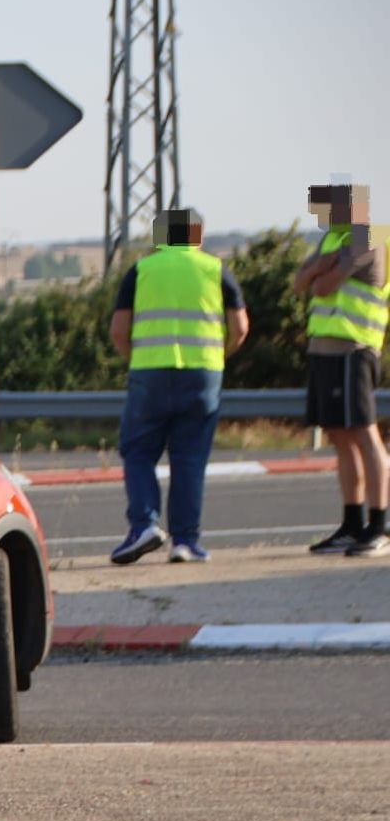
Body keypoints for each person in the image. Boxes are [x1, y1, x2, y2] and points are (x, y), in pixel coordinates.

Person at [108, 209, 251, 564]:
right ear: (197, 235)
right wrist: (218, 355)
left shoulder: (142, 270)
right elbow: (241, 327)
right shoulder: (216, 270)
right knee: (189, 459)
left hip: (150, 372)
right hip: (202, 374)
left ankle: (144, 525)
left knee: (139, 451)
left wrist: (137, 358)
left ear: (159, 236)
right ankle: (185, 542)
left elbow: (118, 330)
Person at [293, 183, 390, 558]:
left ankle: (378, 525)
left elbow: (322, 286)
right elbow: (301, 282)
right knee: (339, 435)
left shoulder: (368, 238)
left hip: (354, 347)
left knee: (364, 434)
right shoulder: (334, 239)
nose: (324, 212)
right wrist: (320, 267)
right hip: (325, 349)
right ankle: (352, 523)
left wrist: (319, 270)